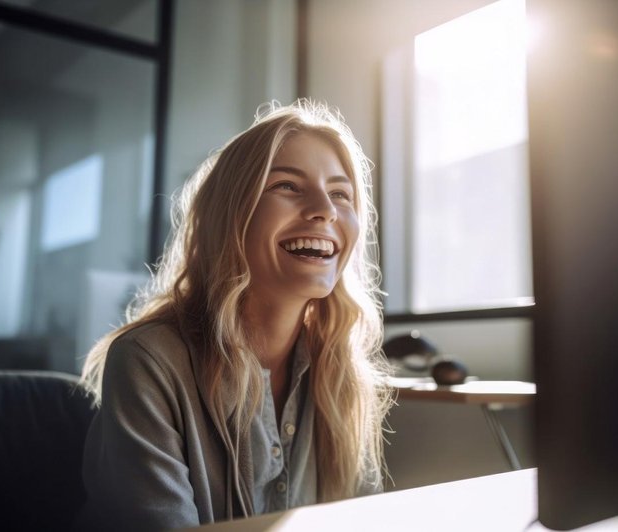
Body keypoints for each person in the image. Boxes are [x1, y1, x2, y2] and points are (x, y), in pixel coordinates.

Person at [76, 100, 392, 531]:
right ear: (230, 216)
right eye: (287, 186)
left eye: (340, 193)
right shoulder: (146, 361)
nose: (325, 209)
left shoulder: (342, 372)